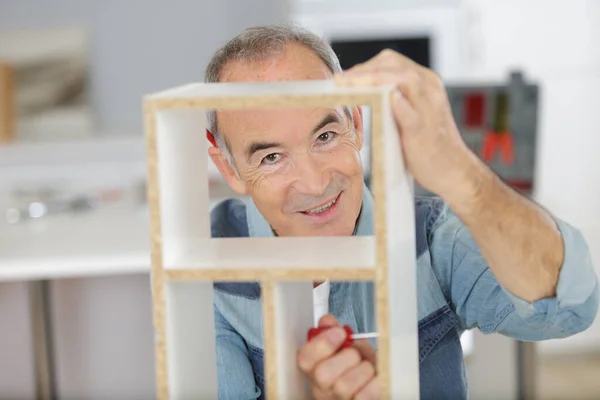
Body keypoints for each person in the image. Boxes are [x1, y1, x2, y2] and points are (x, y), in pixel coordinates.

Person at [205, 24, 599, 399]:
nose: (314, 183)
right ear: (228, 168)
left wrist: (464, 177)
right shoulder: (209, 262)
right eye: (272, 157)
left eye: (325, 136)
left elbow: (569, 308)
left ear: (356, 123)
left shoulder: (429, 237)